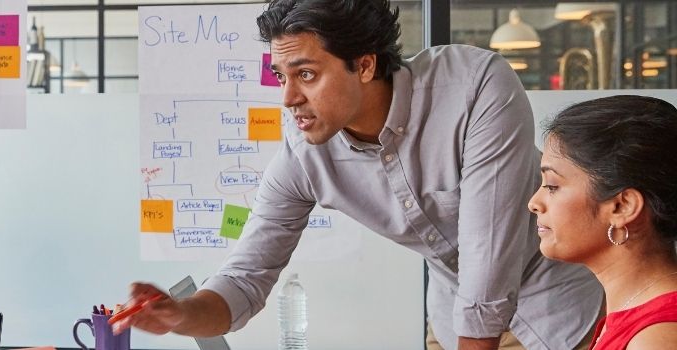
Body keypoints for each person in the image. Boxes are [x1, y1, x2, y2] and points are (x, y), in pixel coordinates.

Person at [111, 1, 602, 349]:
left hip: (562, 313)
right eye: (282, 77)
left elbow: (486, 245)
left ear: (364, 65)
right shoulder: (303, 156)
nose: (288, 98)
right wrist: (182, 315)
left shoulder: (473, 86)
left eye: (306, 74)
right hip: (457, 327)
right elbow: (245, 277)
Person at [527, 95, 677, 349]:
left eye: (552, 186)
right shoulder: (633, 311)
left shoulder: (655, 337)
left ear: (622, 207)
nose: (534, 203)